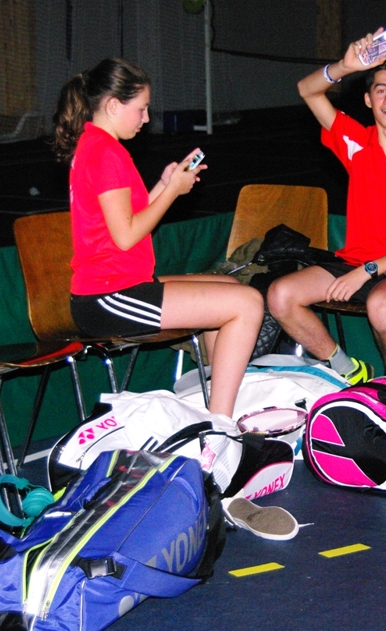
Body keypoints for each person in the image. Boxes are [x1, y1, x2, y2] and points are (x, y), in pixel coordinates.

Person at [52, 57, 264, 485]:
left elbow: (121, 222)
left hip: (119, 285)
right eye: (141, 108)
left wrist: (165, 186)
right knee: (247, 304)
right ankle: (219, 433)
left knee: (225, 287)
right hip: (108, 296)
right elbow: (128, 235)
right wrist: (171, 194)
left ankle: (212, 408)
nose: (146, 118)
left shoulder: (97, 145)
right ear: (113, 105)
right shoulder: (105, 152)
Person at [267, 33, 386, 384]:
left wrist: (368, 270)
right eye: (380, 90)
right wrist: (345, 66)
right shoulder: (357, 142)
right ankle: (349, 371)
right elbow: (307, 90)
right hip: (356, 262)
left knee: (381, 307)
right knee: (281, 295)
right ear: (368, 100)